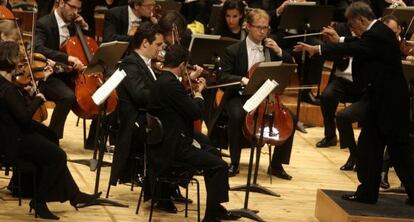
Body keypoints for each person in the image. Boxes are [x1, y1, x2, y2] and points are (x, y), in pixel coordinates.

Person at [295, 1, 414, 205]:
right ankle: (367, 193)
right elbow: (357, 42)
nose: (351, 27)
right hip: (380, 100)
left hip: (390, 103)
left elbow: (356, 46)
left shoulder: (377, 34)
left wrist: (319, 49)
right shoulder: (376, 32)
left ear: (361, 19)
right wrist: (338, 38)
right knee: (369, 147)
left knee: (398, 150)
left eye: (352, 23)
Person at [0, 41, 100, 220]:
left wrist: (29, 95)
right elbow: (23, 118)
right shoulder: (7, 90)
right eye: (20, 62)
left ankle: (73, 194)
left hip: (15, 132)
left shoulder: (7, 84)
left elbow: (17, 112)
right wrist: (38, 99)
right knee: (58, 156)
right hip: (15, 139)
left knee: (51, 138)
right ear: (10, 61)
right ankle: (39, 200)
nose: (23, 66)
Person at [147, 44, 241, 222]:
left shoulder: (162, 81)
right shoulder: (171, 85)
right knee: (219, 165)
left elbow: (179, 105)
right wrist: (199, 95)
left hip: (165, 141)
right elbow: (194, 112)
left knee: (213, 153)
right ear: (182, 65)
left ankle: (216, 208)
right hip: (174, 147)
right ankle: (212, 216)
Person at [207, 8, 296, 180]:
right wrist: (242, 79)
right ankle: (234, 162)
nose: (263, 31)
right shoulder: (233, 50)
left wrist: (279, 51)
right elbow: (223, 76)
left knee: (290, 119)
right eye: (259, 27)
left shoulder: (271, 48)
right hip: (240, 96)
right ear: (247, 26)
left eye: (266, 28)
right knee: (237, 115)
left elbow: (290, 66)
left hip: (267, 98)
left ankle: (276, 165)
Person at [108, 21, 163, 188]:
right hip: (134, 120)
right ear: (145, 43)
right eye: (158, 45)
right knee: (171, 133)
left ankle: (165, 182)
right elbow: (140, 96)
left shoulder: (147, 63)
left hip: (145, 115)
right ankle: (159, 181)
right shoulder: (130, 63)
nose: (160, 49)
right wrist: (165, 93)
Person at [34, 0, 89, 139]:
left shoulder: (74, 25)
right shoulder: (44, 23)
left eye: (78, 9)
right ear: (61, 3)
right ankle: (52, 136)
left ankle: (92, 140)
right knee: (68, 96)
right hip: (48, 75)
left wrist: (84, 27)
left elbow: (87, 45)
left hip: (69, 75)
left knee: (100, 95)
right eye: (73, 8)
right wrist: (67, 58)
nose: (76, 12)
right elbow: (38, 48)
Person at [315, 22, 364, 172]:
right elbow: (330, 53)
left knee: (358, 116)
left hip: (361, 83)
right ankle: (330, 135)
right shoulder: (341, 29)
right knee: (327, 96)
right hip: (341, 79)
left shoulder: (370, 35)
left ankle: (357, 154)